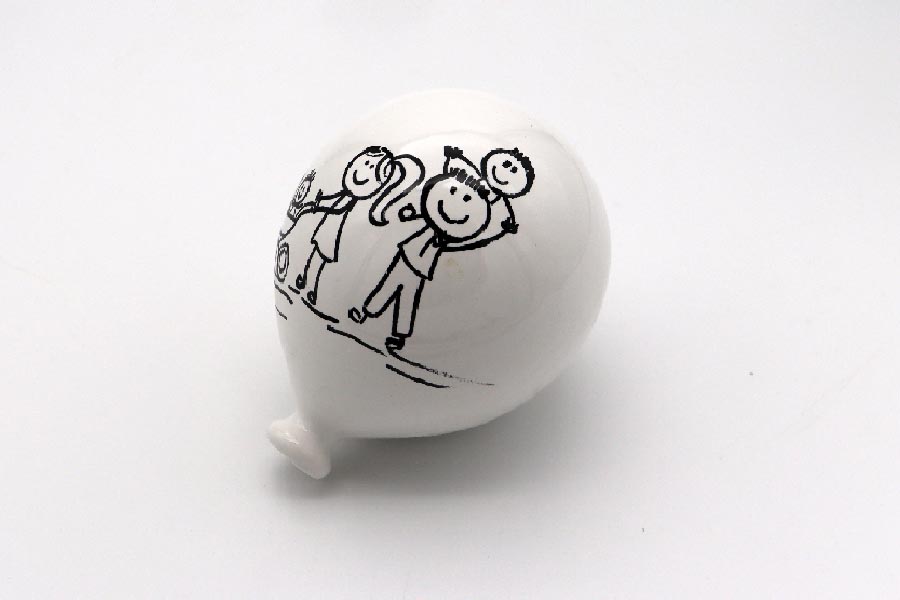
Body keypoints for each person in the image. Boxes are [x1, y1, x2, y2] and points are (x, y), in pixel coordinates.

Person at [349, 167, 518, 351]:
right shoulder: (428, 216)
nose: (455, 205)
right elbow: (415, 211)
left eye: (466, 200)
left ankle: (398, 336)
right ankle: (366, 313)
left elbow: (475, 242)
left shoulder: (450, 237)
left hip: (419, 267)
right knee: (387, 286)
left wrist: (501, 231)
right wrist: (404, 213)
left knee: (407, 299)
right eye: (452, 192)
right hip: (406, 256)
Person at [293, 147, 423, 305]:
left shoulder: (350, 201)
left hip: (331, 233)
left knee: (319, 259)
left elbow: (337, 208)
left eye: (372, 167)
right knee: (315, 257)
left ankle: (311, 286)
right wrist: (319, 203)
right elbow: (333, 199)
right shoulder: (345, 193)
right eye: (365, 163)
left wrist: (318, 205)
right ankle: (306, 281)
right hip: (327, 229)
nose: (365, 170)